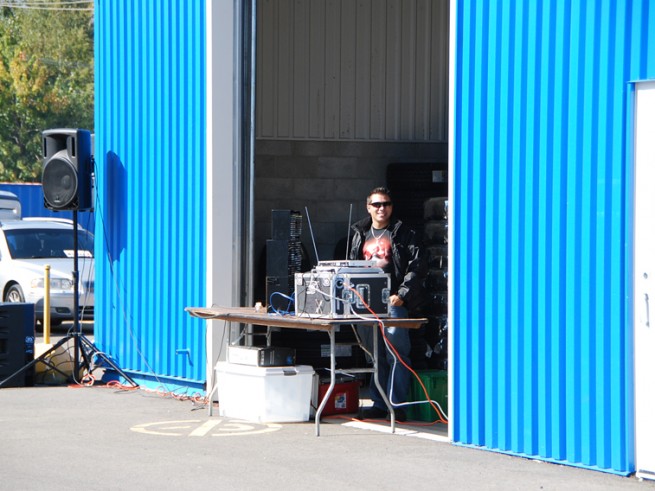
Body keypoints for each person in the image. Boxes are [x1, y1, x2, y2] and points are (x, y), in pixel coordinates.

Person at [348, 186, 425, 421]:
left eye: (386, 204)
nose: (382, 208)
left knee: (397, 355)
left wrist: (402, 294)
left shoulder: (403, 232)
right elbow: (351, 266)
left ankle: (397, 406)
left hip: (393, 303)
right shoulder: (359, 232)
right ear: (368, 207)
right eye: (377, 204)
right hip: (366, 303)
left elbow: (417, 266)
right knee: (375, 356)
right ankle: (380, 404)